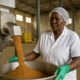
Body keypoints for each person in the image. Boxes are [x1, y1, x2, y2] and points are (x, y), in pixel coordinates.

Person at [7, 7, 80, 80]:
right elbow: (36, 53)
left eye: (57, 19)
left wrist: (66, 68)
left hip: (65, 77)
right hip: (47, 76)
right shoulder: (44, 35)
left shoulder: (72, 36)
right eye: (51, 18)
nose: (53, 21)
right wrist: (22, 58)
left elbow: (78, 59)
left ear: (64, 21)